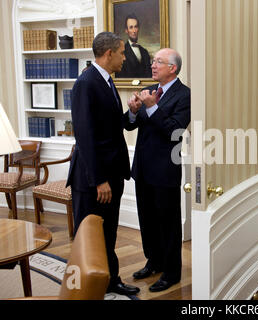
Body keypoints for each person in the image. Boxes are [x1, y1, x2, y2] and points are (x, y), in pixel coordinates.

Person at [67, 31, 140, 296]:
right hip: (93, 180)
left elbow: (108, 128)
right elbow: (85, 136)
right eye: (121, 52)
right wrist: (99, 179)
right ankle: (84, 287)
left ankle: (111, 280)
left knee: (108, 233)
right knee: (89, 237)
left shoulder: (105, 80)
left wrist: (131, 112)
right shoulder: (86, 83)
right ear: (109, 54)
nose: (124, 57)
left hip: (111, 174)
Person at [124, 48, 190, 292]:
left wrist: (152, 108)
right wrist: (133, 111)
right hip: (142, 169)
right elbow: (130, 126)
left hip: (165, 172)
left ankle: (171, 273)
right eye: (153, 61)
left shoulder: (185, 96)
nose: (152, 65)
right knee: (148, 221)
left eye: (158, 62)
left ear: (172, 68)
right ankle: (154, 262)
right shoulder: (151, 92)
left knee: (168, 224)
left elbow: (175, 131)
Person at [115, 13, 152, 78]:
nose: (134, 31)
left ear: (138, 28)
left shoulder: (144, 52)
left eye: (136, 27)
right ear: (126, 30)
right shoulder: (121, 52)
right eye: (131, 27)